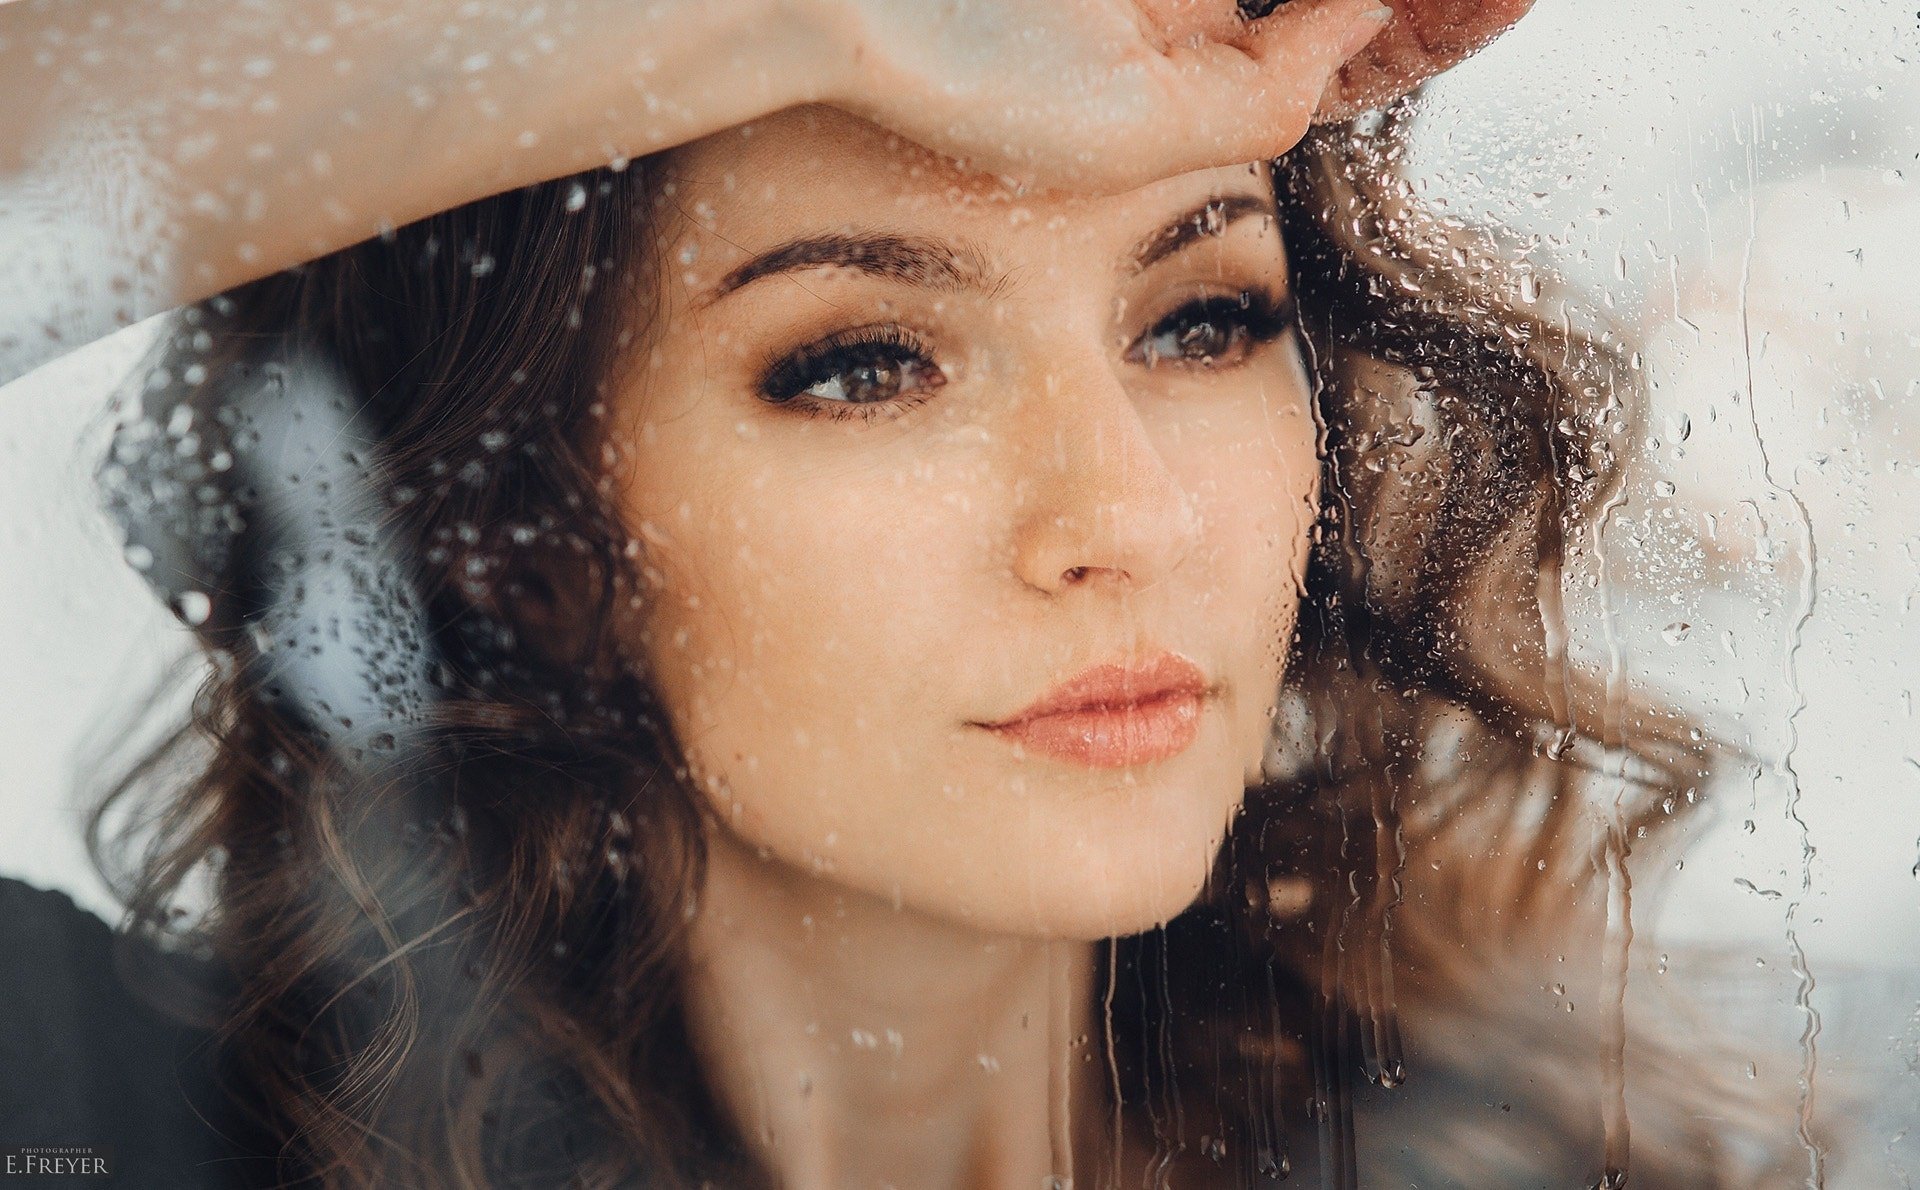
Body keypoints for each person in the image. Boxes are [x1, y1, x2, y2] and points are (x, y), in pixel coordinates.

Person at [0, 1, 1801, 1187]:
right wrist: (812, 15)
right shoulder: (111, 1116)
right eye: (864, 363)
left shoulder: (1548, 1139)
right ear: (525, 536)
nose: (1128, 515)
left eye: (1202, 318)